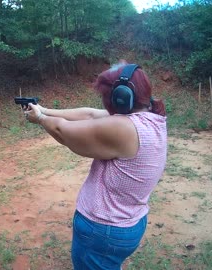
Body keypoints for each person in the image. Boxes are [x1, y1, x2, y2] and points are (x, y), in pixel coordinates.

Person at [24, 62, 167, 270]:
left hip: (103, 230)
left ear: (122, 97)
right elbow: (90, 115)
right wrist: (45, 109)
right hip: (128, 223)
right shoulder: (150, 118)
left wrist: (40, 118)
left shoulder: (124, 128)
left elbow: (64, 133)